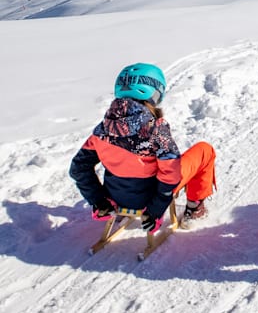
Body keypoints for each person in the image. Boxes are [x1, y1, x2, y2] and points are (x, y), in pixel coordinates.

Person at [69, 63, 216, 231]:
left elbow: (78, 168)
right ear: (155, 93)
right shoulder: (156, 130)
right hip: (150, 200)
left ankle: (120, 208)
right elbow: (171, 177)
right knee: (205, 150)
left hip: (116, 197)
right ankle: (195, 208)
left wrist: (99, 201)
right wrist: (155, 210)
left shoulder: (103, 130)